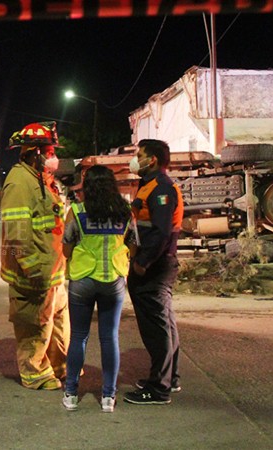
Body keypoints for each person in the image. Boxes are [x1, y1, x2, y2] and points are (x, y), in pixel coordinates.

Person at [1, 122, 70, 391]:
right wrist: (33, 271)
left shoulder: (42, 180)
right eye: (49, 151)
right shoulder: (20, 183)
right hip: (33, 275)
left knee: (57, 324)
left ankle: (59, 366)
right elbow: (17, 237)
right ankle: (35, 374)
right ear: (33, 153)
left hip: (53, 270)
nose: (53, 157)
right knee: (34, 325)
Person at [61, 165, 134, 413]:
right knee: (109, 337)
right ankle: (108, 397)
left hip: (82, 280)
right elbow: (134, 245)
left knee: (79, 336)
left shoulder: (77, 211)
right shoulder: (124, 212)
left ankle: (71, 394)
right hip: (113, 280)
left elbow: (66, 249)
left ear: (87, 186)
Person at [123, 139, 184, 405]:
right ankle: (169, 378)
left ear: (154, 160)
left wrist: (143, 262)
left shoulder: (161, 188)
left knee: (157, 328)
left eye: (140, 155)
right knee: (164, 323)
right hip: (153, 264)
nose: (136, 159)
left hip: (154, 266)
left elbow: (160, 232)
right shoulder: (149, 185)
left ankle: (159, 389)